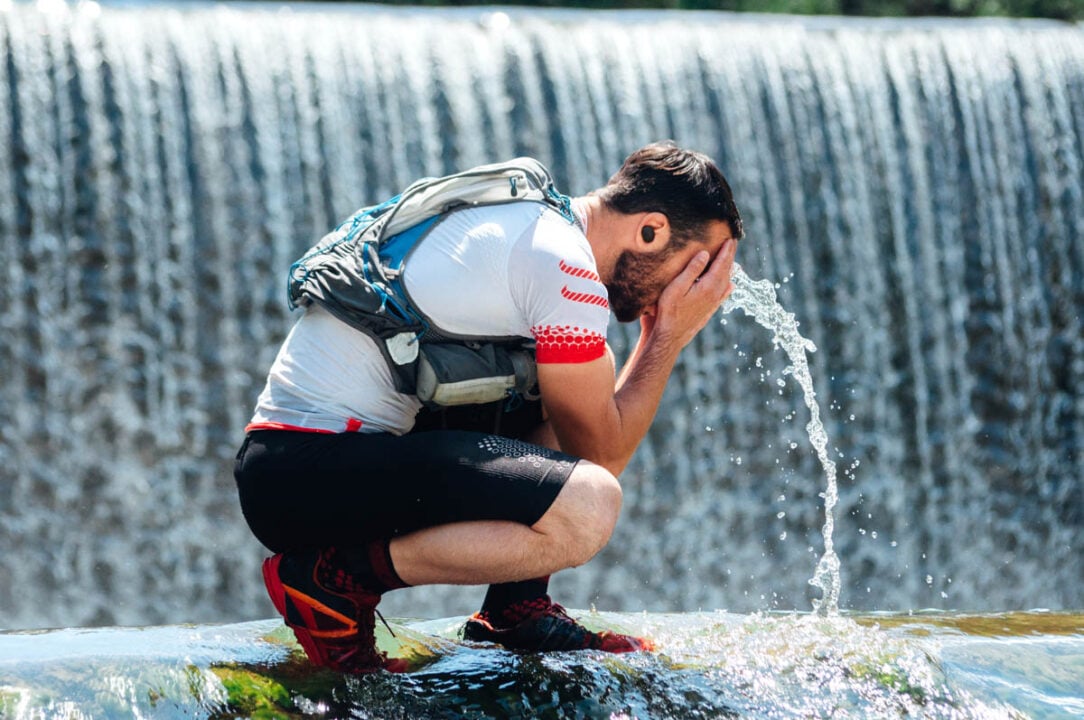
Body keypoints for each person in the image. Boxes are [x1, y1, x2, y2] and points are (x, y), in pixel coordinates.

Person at [233, 141, 743, 673]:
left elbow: (568, 431)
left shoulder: (532, 222)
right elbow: (598, 457)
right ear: (651, 231)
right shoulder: (563, 265)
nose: (694, 291)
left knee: (565, 388)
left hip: (292, 468)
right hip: (305, 475)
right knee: (589, 506)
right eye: (696, 269)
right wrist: (667, 337)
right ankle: (334, 581)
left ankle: (513, 610)